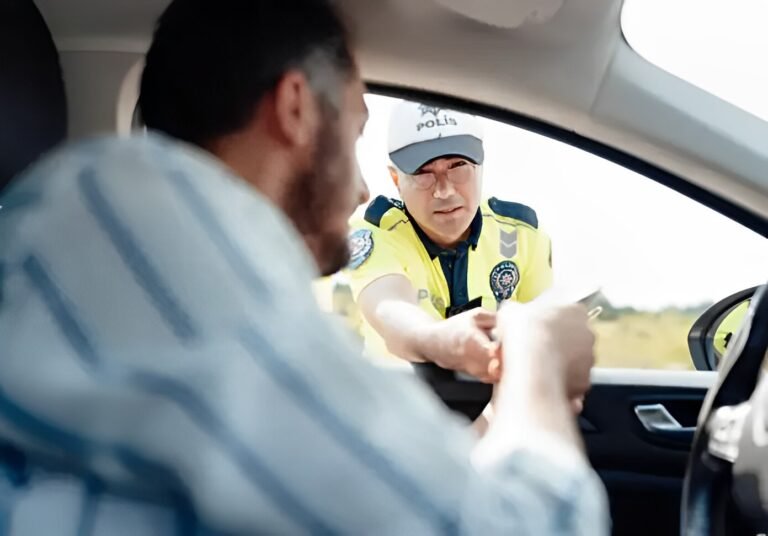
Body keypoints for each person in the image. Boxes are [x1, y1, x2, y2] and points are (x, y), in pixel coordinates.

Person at [0, 0, 608, 534]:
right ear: (295, 108)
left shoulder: (148, 263)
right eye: (353, 130)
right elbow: (525, 527)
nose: (365, 188)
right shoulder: (154, 229)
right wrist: (539, 360)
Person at [345, 101, 553, 382]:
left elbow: (543, 344)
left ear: (480, 163)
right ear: (396, 179)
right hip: (397, 407)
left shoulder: (522, 235)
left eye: (458, 166)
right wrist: (447, 339)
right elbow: (390, 311)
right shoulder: (375, 233)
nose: (444, 190)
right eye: (423, 173)